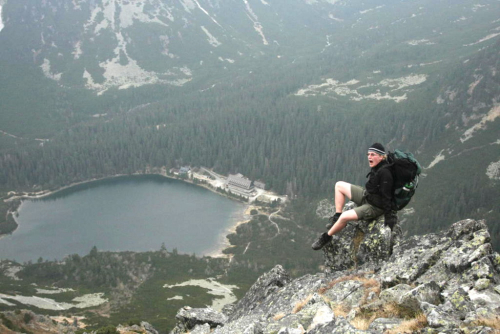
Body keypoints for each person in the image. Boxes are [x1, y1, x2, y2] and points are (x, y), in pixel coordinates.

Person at [311, 143, 397, 251]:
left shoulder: (385, 172)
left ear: (381, 156)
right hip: (368, 196)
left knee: (345, 217)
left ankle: (327, 237)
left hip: (375, 207)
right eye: (368, 154)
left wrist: (389, 216)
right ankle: (337, 216)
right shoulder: (377, 167)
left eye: (373, 154)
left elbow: (387, 196)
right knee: (339, 185)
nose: (369, 157)